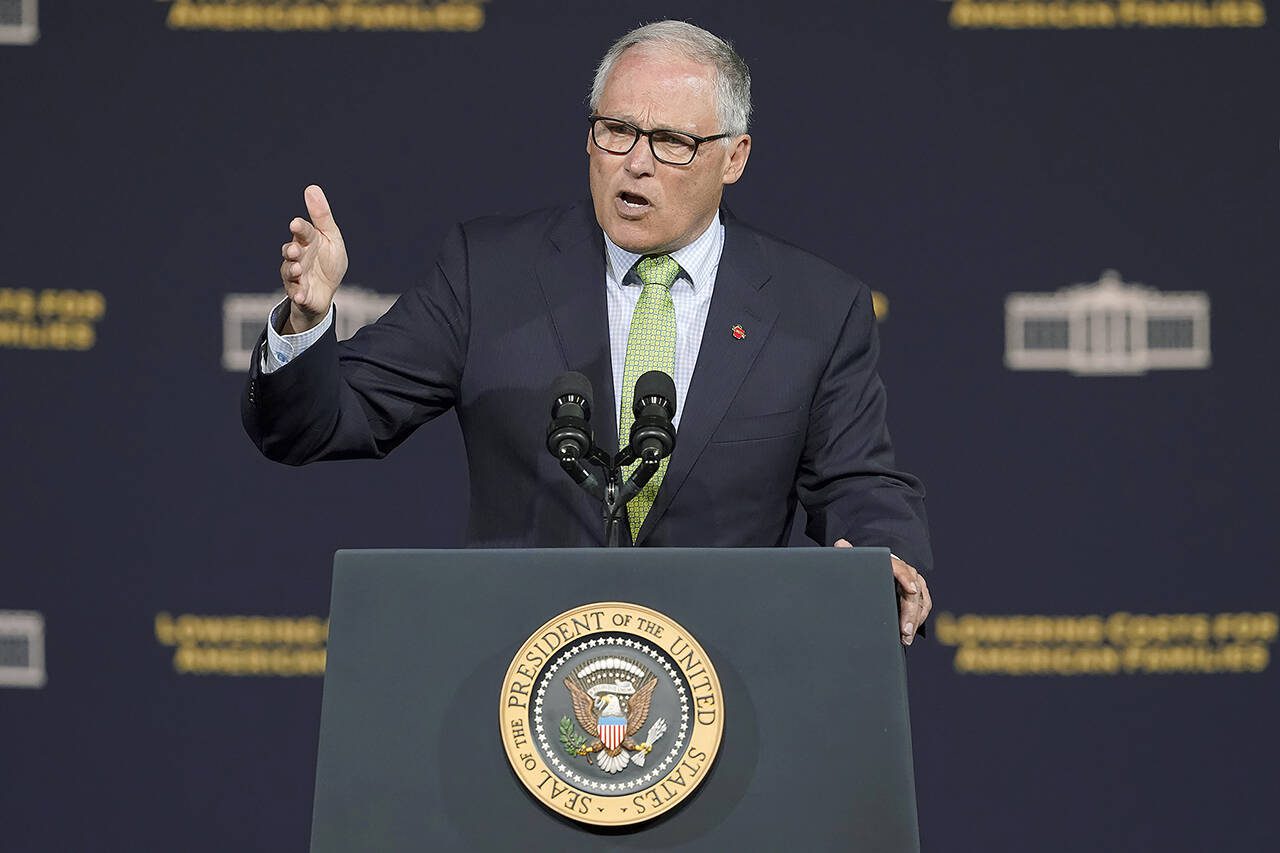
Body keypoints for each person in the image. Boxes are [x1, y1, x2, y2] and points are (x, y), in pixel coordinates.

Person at [242, 20, 933, 644]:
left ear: (734, 157)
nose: (636, 162)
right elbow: (320, 423)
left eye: (672, 142)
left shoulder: (815, 307)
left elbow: (859, 482)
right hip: (516, 679)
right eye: (617, 130)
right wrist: (307, 323)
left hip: (726, 684)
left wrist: (882, 553)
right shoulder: (490, 273)